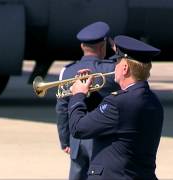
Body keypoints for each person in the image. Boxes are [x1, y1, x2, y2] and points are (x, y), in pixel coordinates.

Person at [68, 35, 164, 179]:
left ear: (125, 68)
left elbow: (78, 128)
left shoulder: (118, 102)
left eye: (117, 62)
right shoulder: (153, 101)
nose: (115, 66)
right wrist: (91, 94)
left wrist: (78, 95)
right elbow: (118, 123)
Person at [55, 21, 120, 180]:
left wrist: (66, 141)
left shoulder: (67, 71)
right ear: (102, 46)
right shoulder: (112, 69)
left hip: (77, 140)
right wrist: (118, 51)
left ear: (82, 47)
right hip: (104, 141)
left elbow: (62, 109)